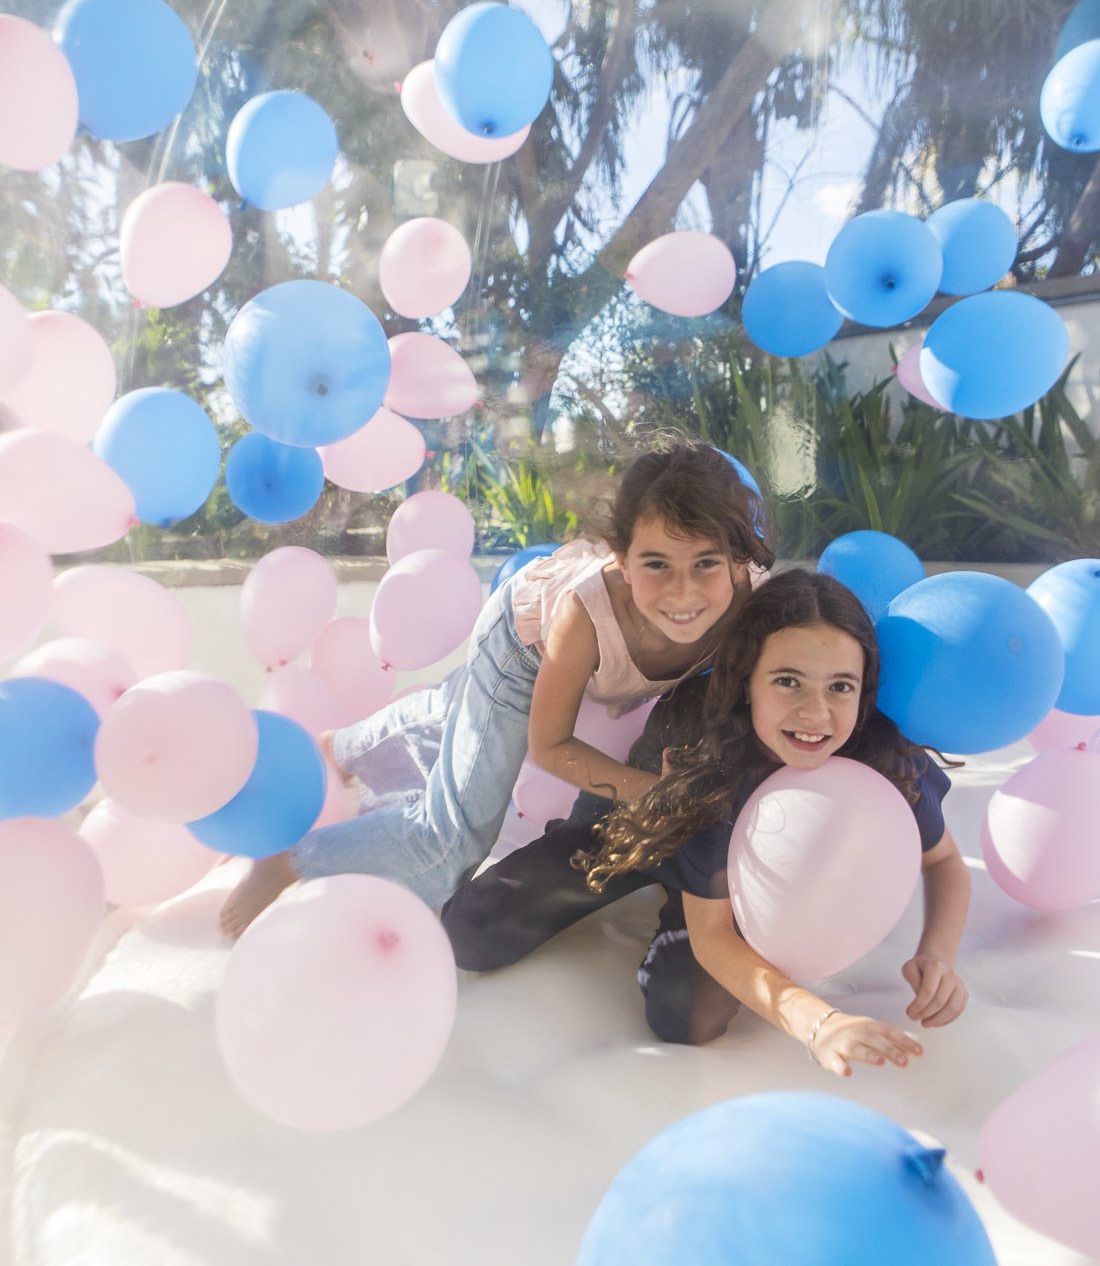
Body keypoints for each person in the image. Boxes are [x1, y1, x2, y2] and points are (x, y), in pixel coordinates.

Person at [220, 438, 774, 937]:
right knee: (450, 846)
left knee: (459, 714)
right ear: (623, 562)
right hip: (521, 645)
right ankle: (291, 859)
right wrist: (650, 791)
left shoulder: (754, 604)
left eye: (706, 563)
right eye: (657, 564)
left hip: (591, 657)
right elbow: (549, 746)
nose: (683, 592)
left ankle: (345, 747)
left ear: (740, 561)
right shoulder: (584, 616)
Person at [441, 568, 971, 1079]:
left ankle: (696, 894)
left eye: (840, 687)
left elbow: (945, 859)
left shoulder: (877, 756)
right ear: (747, 682)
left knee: (687, 1017)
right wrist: (820, 1024)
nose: (815, 713)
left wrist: (938, 954)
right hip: (640, 827)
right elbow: (712, 937)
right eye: (788, 681)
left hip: (726, 873)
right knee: (470, 933)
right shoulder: (709, 753)